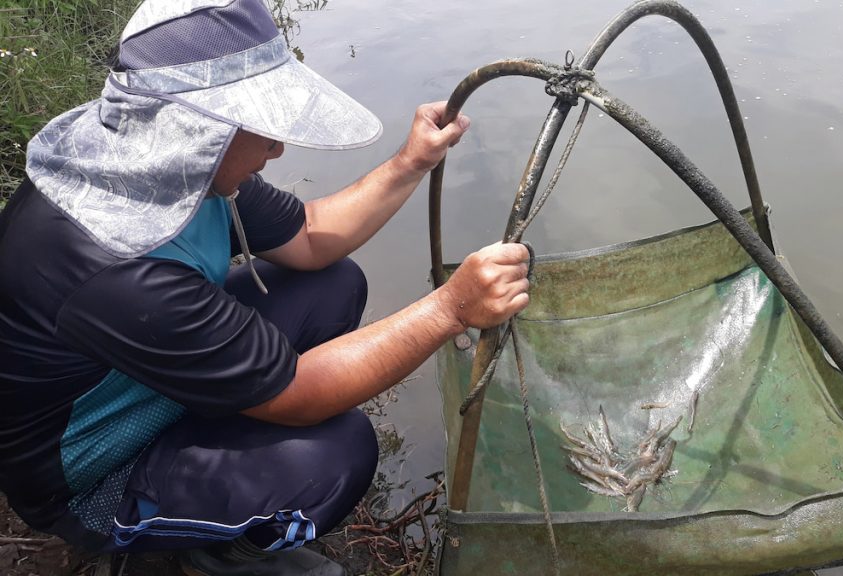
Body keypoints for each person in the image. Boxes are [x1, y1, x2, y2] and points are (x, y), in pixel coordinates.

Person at [0, 0, 530, 574]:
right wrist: (451, 309)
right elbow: (301, 394)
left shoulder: (163, 160)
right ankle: (216, 553)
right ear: (200, 129)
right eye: (260, 125)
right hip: (95, 472)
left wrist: (410, 162)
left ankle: (232, 425)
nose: (277, 148)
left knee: (333, 283)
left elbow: (309, 236)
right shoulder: (115, 264)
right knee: (333, 458)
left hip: (147, 376)